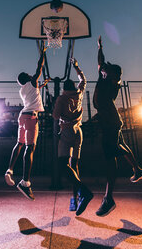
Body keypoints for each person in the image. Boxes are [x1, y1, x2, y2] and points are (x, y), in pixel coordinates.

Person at [93, 36, 142, 216]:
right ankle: (137, 169)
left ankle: (108, 199)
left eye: (106, 70)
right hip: (112, 122)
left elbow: (100, 64)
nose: (103, 70)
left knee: (110, 158)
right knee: (121, 146)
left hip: (110, 123)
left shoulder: (108, 82)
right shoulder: (110, 82)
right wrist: (100, 47)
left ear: (113, 74)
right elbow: (102, 65)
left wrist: (100, 48)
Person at [5, 46, 49, 200]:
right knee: (30, 148)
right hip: (31, 118)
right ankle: (25, 182)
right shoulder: (32, 82)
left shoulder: (23, 89)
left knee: (19, 144)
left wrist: (43, 85)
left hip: (22, 116)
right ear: (29, 78)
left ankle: (9, 170)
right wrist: (43, 53)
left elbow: (34, 91)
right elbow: (39, 67)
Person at [52, 58, 93, 216]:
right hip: (78, 132)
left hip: (67, 131)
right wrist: (76, 66)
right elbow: (83, 79)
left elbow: (56, 116)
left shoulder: (62, 99)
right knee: (74, 167)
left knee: (63, 165)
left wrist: (57, 109)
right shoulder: (79, 93)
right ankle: (75, 198)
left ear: (63, 88)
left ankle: (83, 192)